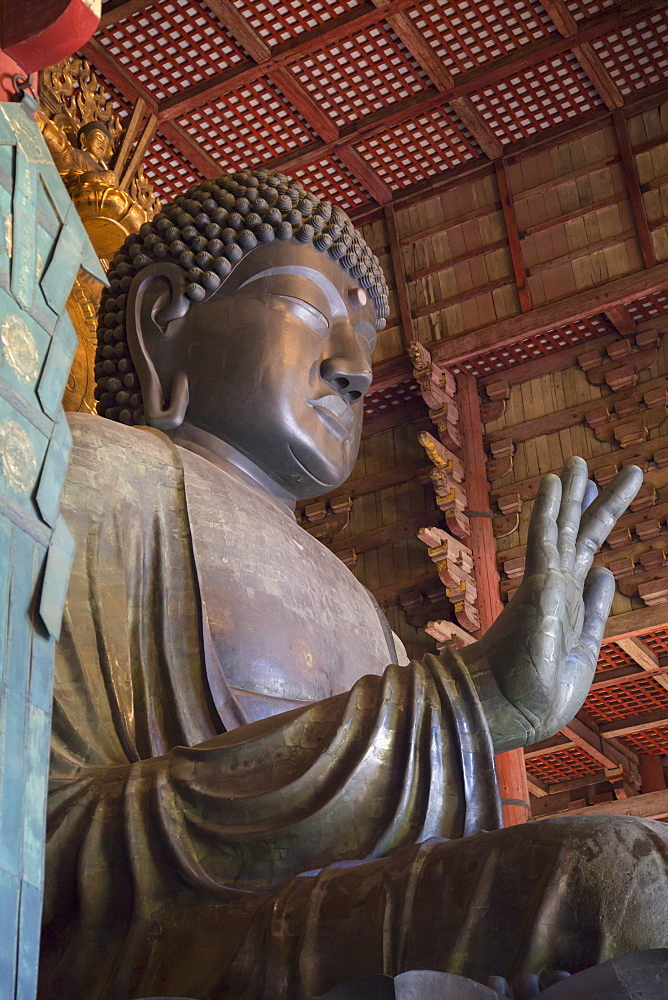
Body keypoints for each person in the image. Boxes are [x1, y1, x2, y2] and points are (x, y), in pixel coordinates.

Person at [40, 170, 668, 1000]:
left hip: (341, 922)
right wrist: (463, 705)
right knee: (610, 883)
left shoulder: (361, 606)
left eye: (363, 338)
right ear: (164, 318)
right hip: (178, 948)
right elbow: (43, 842)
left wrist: (470, 716)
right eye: (309, 312)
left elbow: (424, 862)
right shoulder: (91, 476)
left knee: (633, 874)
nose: (356, 371)